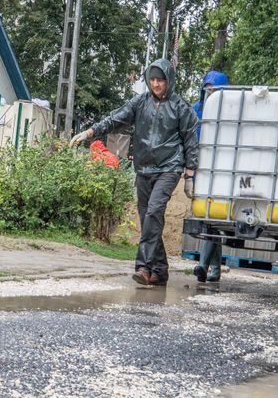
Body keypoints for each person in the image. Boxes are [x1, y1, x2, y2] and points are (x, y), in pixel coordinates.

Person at [71, 59, 198, 286]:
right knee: (148, 218)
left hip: (169, 167)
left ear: (170, 81)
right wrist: (90, 132)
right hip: (143, 168)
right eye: (152, 80)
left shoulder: (181, 107)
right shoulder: (140, 102)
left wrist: (189, 175)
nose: (156, 84)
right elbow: (115, 118)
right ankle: (160, 270)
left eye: (160, 80)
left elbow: (190, 141)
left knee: (153, 213)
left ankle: (142, 266)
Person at [191, 69, 228, 283]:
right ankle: (214, 268)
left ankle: (204, 265)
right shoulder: (196, 110)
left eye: (215, 91)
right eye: (208, 90)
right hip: (201, 170)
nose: (210, 94)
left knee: (212, 219)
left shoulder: (231, 112)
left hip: (222, 172)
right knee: (210, 220)